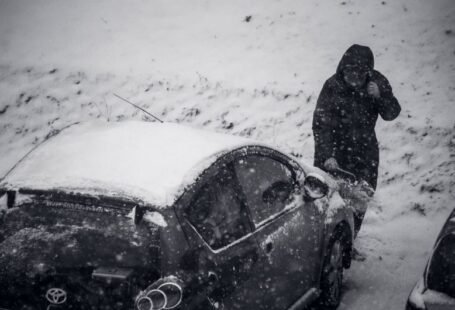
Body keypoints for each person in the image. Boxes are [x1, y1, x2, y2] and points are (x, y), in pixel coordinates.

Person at [312, 44, 401, 235]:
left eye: (359, 74)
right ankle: (323, 238)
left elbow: (392, 113)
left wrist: (381, 96)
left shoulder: (377, 83)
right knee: (327, 199)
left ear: (366, 73)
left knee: (359, 201)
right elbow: (321, 124)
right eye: (349, 73)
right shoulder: (332, 86)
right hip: (334, 151)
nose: (353, 79)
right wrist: (327, 155)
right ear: (342, 69)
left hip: (364, 154)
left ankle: (349, 240)